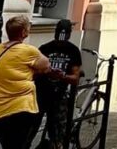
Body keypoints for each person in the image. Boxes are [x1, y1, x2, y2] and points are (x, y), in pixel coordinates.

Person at [0, 14, 52, 149]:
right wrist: (35, 71)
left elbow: (10, 67)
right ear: (23, 32)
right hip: (20, 109)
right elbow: (46, 65)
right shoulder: (28, 51)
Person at [35, 19, 82, 149]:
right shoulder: (45, 48)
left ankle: (55, 143)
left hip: (60, 94)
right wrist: (45, 72)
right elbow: (35, 71)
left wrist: (63, 76)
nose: (61, 39)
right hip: (42, 93)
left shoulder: (73, 51)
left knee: (57, 130)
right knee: (34, 126)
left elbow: (75, 78)